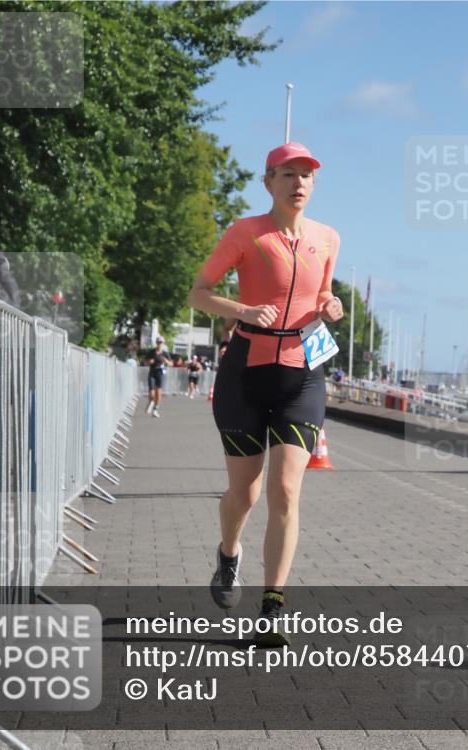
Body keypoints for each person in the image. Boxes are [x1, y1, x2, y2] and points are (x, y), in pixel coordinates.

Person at [188, 142, 343, 646]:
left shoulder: (327, 238)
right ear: (268, 181)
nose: (299, 184)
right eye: (288, 175)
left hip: (304, 372)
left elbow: (321, 292)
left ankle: (272, 608)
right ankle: (229, 553)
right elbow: (199, 292)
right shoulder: (245, 233)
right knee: (245, 493)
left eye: (306, 176)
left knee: (286, 490)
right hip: (246, 373)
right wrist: (243, 310)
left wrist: (332, 304)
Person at [145, 337, 172, 417]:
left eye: (161, 342)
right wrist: (149, 362)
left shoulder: (165, 353)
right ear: (156, 343)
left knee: (158, 393)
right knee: (151, 393)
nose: (159, 344)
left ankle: (155, 409)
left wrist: (166, 361)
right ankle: (151, 402)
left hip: (160, 373)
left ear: (163, 343)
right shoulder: (152, 352)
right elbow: (145, 361)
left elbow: (171, 364)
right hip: (152, 373)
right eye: (158, 342)